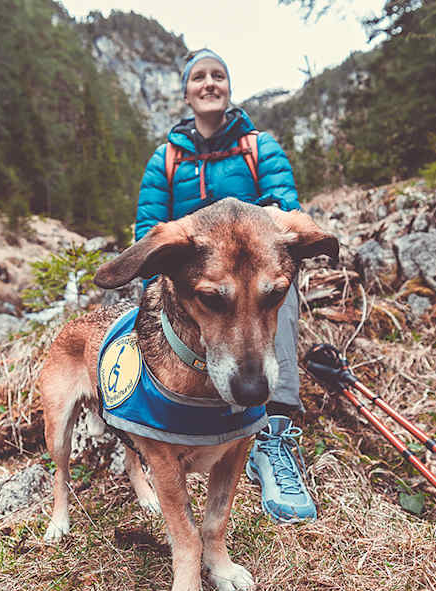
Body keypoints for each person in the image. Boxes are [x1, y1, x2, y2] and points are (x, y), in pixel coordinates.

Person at [134, 49, 316, 523]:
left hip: (253, 267)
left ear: (229, 87)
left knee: (277, 293)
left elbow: (283, 206)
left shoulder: (259, 147)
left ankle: (272, 432)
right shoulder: (166, 159)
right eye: (199, 76)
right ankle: (155, 422)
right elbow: (147, 229)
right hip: (197, 274)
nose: (209, 83)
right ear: (187, 92)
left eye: (218, 75)